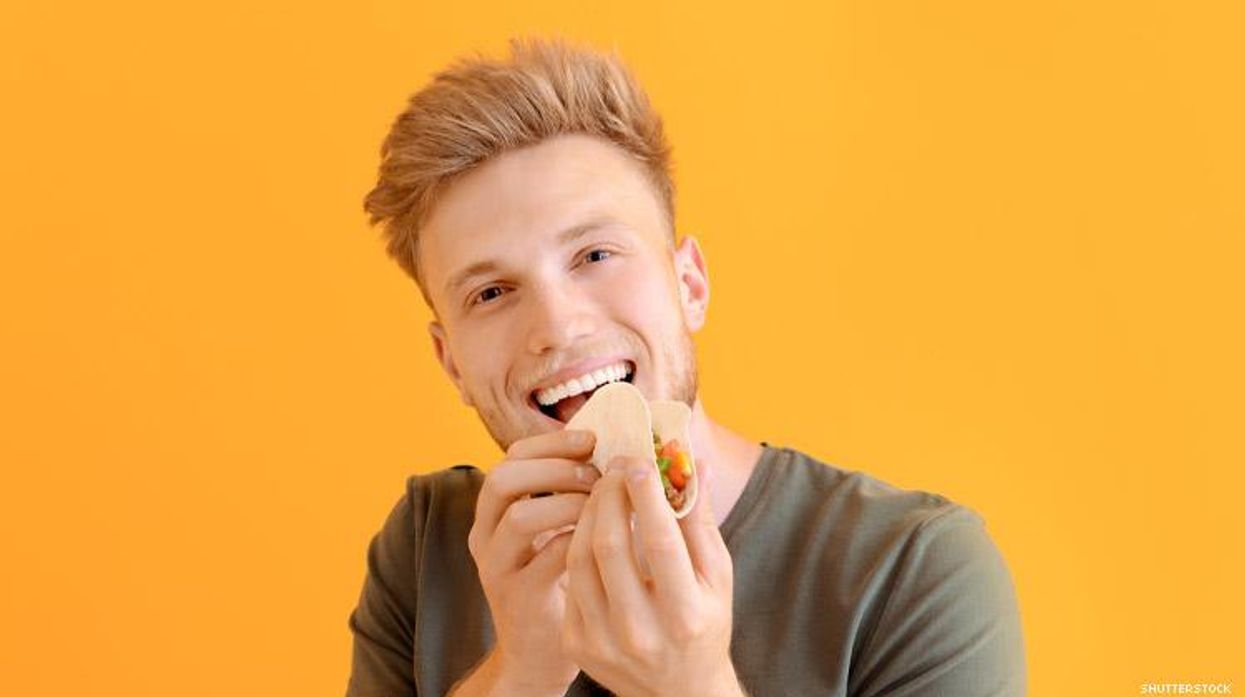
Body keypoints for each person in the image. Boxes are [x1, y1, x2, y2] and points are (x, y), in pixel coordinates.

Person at [346, 36, 1027, 697]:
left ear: (690, 285)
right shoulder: (425, 549)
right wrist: (522, 670)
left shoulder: (909, 571)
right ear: (451, 363)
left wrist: (690, 686)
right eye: (490, 294)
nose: (556, 327)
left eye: (595, 255)